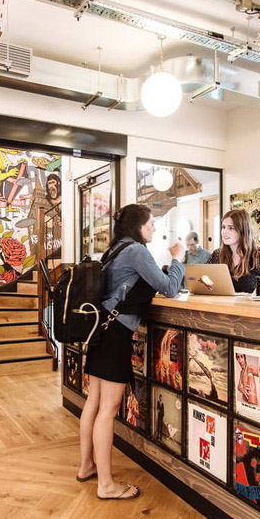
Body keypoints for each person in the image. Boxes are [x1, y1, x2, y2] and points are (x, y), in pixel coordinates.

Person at [77, 204, 185, 500]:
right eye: (151, 223)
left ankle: (87, 466)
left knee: (94, 403)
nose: (154, 228)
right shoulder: (136, 251)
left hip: (101, 330)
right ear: (139, 226)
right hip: (115, 335)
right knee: (108, 410)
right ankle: (106, 485)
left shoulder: (114, 250)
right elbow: (169, 287)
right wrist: (177, 260)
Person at [211, 209, 260, 296]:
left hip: (251, 304)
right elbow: (204, 280)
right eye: (223, 227)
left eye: (231, 228)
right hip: (221, 304)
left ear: (243, 230)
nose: (225, 232)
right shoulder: (217, 254)